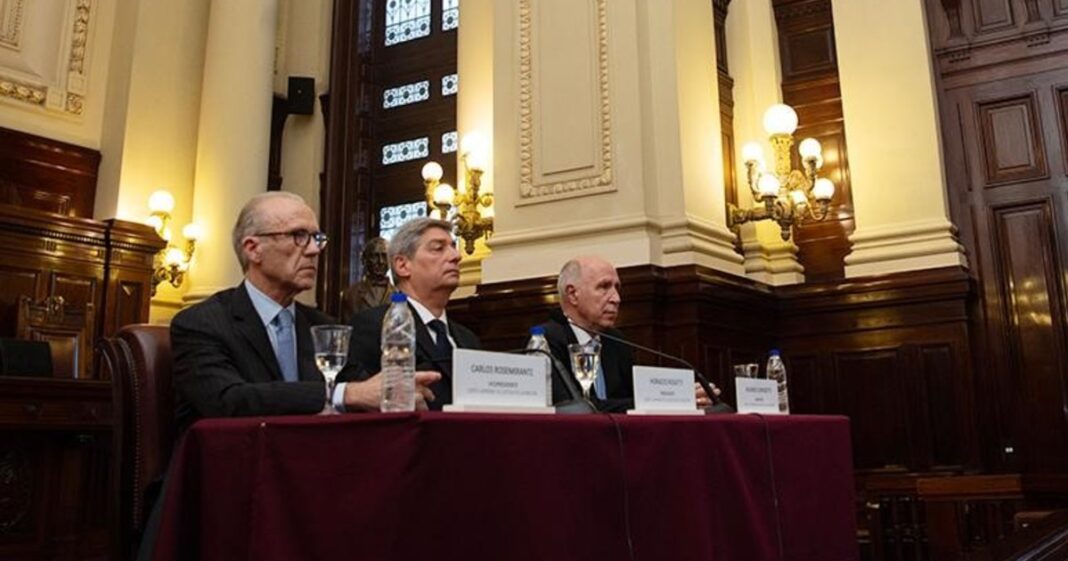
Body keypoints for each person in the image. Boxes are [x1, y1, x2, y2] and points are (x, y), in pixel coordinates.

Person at [171, 192, 439, 432]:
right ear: (253, 249)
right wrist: (346, 394)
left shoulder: (322, 326)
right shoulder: (201, 323)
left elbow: (367, 388)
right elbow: (228, 401)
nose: (314, 250)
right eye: (298, 236)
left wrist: (399, 392)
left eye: (317, 238)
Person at [539, 256, 717, 412]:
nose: (616, 298)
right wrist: (665, 402)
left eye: (617, 288)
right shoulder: (546, 340)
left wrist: (682, 396)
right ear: (573, 294)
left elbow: (636, 396)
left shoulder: (615, 340)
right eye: (604, 287)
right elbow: (576, 406)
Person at [337, 217, 480, 410]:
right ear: (403, 265)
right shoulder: (372, 326)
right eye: (438, 248)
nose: (456, 256)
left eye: (453, 247)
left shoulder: (468, 339)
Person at [341, 236, 393, 320]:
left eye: (384, 256)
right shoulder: (350, 294)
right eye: (375, 256)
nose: (380, 261)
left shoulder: (400, 294)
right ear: (364, 259)